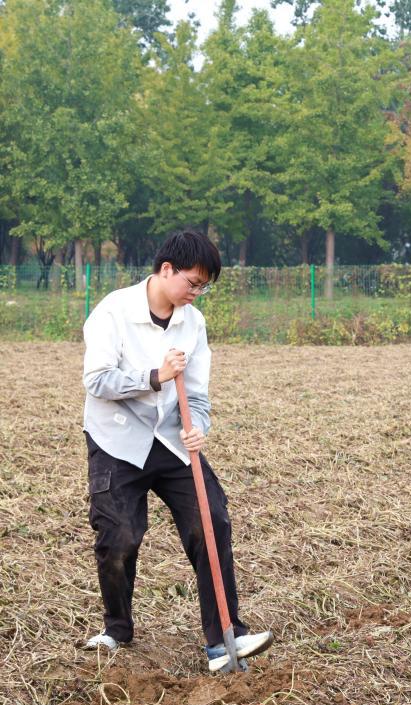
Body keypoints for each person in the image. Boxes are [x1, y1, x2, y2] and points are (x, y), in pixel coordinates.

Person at [81, 230, 272, 672]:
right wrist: (155, 376)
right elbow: (97, 380)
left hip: (170, 439)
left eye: (203, 287)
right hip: (116, 440)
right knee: (119, 537)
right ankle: (117, 630)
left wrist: (198, 427)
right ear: (167, 270)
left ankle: (223, 639)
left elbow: (198, 393)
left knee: (212, 521)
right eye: (193, 282)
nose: (196, 293)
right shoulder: (114, 311)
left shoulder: (193, 323)